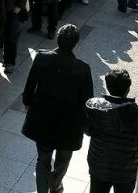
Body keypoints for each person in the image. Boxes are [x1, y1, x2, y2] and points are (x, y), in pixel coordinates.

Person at [22, 25, 94, 193]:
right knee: (63, 159)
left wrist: (28, 102)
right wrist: (86, 124)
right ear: (76, 44)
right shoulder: (82, 69)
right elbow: (87, 101)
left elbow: (30, 85)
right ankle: (55, 185)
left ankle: (42, 190)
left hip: (44, 119)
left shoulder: (42, 58)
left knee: (43, 158)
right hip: (69, 125)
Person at [83, 69, 138, 193]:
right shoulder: (137, 114)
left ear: (107, 86)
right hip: (126, 171)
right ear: (128, 89)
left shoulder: (94, 107)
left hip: (99, 165)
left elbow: (87, 130)